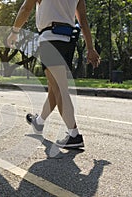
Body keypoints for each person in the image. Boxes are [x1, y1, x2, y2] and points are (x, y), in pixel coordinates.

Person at [7, 0, 100, 148]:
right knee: (55, 87)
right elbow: (83, 20)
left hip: (50, 40)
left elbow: (26, 8)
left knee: (59, 89)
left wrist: (14, 32)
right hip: (68, 42)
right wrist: (90, 47)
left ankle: (74, 134)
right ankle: (39, 122)